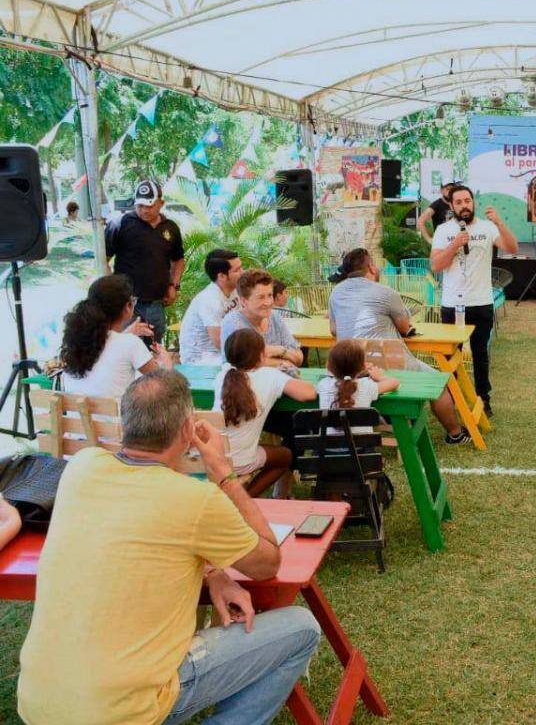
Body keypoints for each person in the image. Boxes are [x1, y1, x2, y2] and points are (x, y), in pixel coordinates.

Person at [17, 370, 321, 725]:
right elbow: (269, 561)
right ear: (185, 431)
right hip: (124, 712)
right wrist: (224, 473)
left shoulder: (82, 467)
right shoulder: (198, 499)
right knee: (302, 628)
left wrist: (214, 571)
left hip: (38, 703)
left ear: (124, 423)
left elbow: (147, 529)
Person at [327, 248, 469, 444]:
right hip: (385, 364)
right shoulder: (386, 292)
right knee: (439, 382)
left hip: (352, 366)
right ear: (371, 267)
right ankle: (455, 434)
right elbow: (404, 328)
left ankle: (388, 419)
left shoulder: (336, 293)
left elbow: (334, 330)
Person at [430, 184, 518, 418]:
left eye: (467, 201)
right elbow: (436, 265)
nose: (464, 206)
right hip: (452, 305)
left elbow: (512, 247)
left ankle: (483, 398)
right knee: (452, 354)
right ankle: (454, 398)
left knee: (480, 353)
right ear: (451, 206)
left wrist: (499, 222)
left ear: (473, 202)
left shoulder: (488, 228)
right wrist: (455, 244)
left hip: (480, 302)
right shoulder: (443, 230)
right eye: (458, 202)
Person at [215, 329, 315, 497]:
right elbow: (309, 393)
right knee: (285, 456)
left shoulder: (223, 376)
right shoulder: (270, 376)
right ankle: (245, 498)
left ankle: (240, 498)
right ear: (262, 356)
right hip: (241, 461)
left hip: (213, 455)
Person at [60, 274, 172, 399]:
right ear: (127, 307)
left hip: (77, 417)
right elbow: (164, 385)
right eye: (133, 301)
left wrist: (126, 333)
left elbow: (107, 350)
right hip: (117, 418)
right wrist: (167, 363)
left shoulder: (76, 341)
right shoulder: (130, 344)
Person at [104, 178, 184, 345]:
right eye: (140, 205)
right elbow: (102, 259)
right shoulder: (121, 224)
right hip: (127, 303)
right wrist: (115, 290)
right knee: (123, 347)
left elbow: (178, 260)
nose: (144, 210)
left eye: (149, 205)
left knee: (154, 347)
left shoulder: (170, 228)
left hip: (156, 303)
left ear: (161, 203)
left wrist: (173, 285)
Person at [220, 269, 304, 369]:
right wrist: (287, 361)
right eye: (261, 297)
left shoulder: (274, 316)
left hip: (278, 381)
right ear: (243, 301)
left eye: (270, 295)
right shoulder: (233, 322)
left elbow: (299, 358)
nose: (268, 302)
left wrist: (279, 351)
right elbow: (248, 364)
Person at [318, 339, 400, 434]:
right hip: (361, 448)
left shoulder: (324, 385)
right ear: (363, 367)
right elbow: (394, 383)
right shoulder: (366, 386)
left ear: (328, 366)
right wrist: (380, 376)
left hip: (327, 448)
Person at [179, 248, 243, 365]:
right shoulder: (210, 300)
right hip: (201, 361)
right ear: (222, 276)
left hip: (222, 354)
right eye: (237, 270)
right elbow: (221, 344)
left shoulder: (234, 292)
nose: (242, 272)